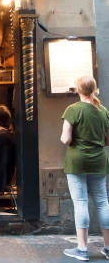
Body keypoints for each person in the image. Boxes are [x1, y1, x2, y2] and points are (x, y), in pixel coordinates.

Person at [60, 76, 109, 261]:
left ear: (78, 90)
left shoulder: (73, 110)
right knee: (103, 202)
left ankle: (82, 249)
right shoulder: (103, 111)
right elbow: (107, 140)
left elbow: (66, 139)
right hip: (98, 161)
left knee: (81, 202)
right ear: (94, 89)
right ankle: (108, 247)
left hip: (77, 161)